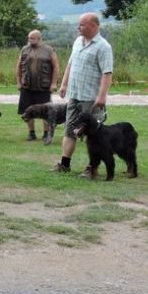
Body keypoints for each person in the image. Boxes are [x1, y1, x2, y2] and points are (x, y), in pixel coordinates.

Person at [52, 12, 113, 177]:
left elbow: (107, 74)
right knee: (69, 130)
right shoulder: (78, 42)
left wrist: (102, 97)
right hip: (75, 95)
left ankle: (92, 168)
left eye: (82, 24)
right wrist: (64, 84)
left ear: (93, 26)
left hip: (91, 99)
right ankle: (64, 164)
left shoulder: (103, 47)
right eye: (78, 24)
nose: (78, 27)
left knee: (94, 136)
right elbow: (71, 64)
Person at [16, 30, 60, 142]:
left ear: (39, 39)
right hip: (27, 86)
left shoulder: (49, 50)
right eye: (28, 38)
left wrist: (54, 83)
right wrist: (19, 82)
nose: (29, 40)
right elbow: (19, 67)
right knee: (27, 111)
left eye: (31, 38)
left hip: (43, 87)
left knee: (45, 111)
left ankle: (46, 133)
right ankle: (31, 133)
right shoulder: (24, 49)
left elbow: (56, 67)